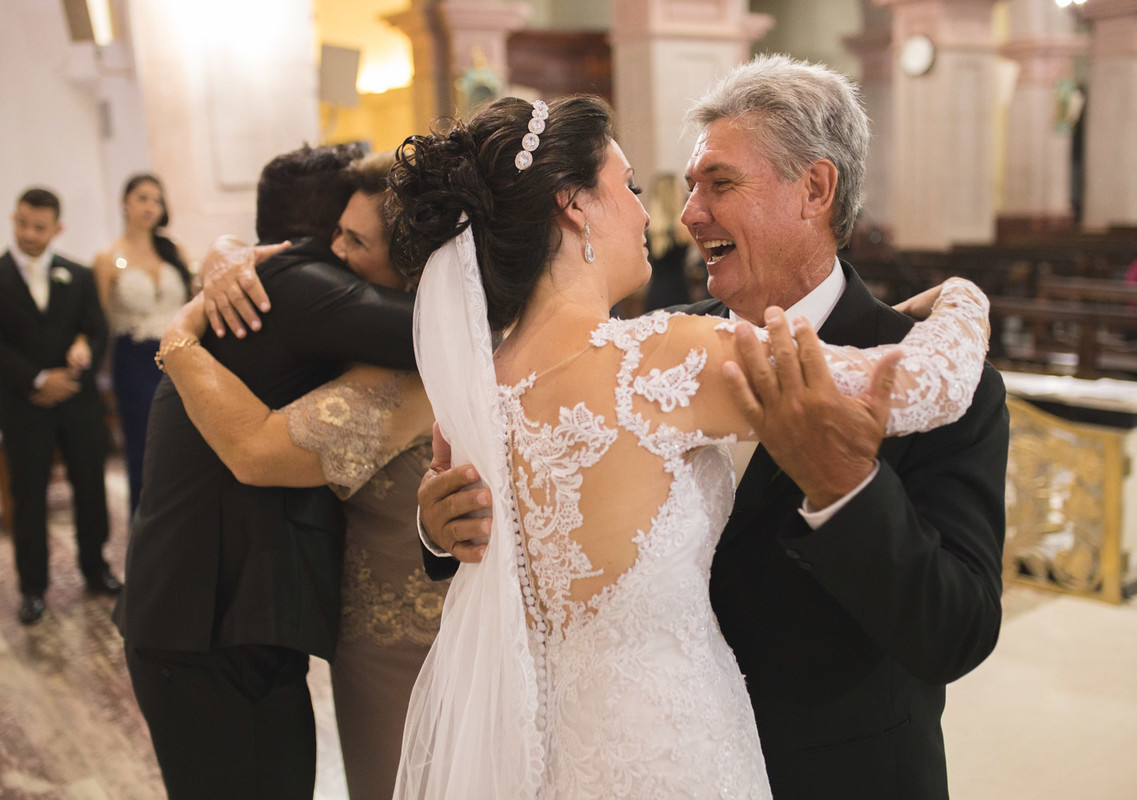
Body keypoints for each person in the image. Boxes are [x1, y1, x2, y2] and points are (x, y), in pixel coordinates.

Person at [417, 56, 1010, 800]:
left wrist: (843, 488)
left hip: (836, 772)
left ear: (816, 190)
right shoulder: (658, 349)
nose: (687, 213)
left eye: (719, 184)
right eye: (680, 186)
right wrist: (441, 530)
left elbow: (954, 629)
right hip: (643, 759)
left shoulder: (966, 391)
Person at [113, 144, 419, 800]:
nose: (345, 248)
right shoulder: (300, 285)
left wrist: (221, 254)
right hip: (206, 630)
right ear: (319, 228)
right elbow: (449, 326)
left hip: (211, 617)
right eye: (344, 228)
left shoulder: (269, 281)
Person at [0, 187, 120, 626]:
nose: (30, 234)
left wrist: (84, 350)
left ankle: (96, 568)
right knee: (29, 495)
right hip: (23, 403)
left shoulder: (79, 274)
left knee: (90, 486)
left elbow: (97, 330)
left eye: (40, 227)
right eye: (23, 224)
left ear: (57, 228)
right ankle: (33, 586)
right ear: (14, 218)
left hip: (77, 400)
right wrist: (37, 379)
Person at [92, 174, 191, 516]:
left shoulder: (172, 250)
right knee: (145, 446)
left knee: (186, 443)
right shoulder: (108, 258)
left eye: (157, 200)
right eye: (142, 198)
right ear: (125, 202)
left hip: (182, 356)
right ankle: (145, 524)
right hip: (135, 358)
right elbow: (98, 322)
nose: (150, 206)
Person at [643, 172, 705, 311]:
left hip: (654, 294)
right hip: (678, 294)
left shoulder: (649, 230)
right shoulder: (680, 228)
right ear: (672, 194)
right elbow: (705, 249)